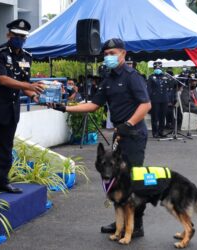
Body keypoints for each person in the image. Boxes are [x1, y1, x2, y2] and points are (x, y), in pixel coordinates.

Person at [51, 38, 151, 237]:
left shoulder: (132, 76)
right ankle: (120, 222)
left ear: (123, 54)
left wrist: (128, 124)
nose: (108, 57)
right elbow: (93, 104)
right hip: (119, 134)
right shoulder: (108, 79)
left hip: (133, 134)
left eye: (112, 54)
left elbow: (145, 105)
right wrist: (65, 108)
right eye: (105, 54)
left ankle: (136, 225)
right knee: (117, 180)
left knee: (131, 180)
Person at [0, 19, 44, 194]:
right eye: (16, 35)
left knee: (6, 147)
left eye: (23, 36)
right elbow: (3, 79)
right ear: (9, 35)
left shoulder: (26, 57)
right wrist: (29, 87)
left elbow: (24, 83)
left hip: (10, 109)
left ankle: (3, 181)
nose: (19, 39)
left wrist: (35, 95)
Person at [147, 61, 169, 138]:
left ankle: (161, 131)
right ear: (154, 68)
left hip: (164, 99)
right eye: (156, 68)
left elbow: (170, 87)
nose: (158, 69)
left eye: (159, 67)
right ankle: (155, 132)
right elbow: (149, 89)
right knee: (155, 117)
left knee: (162, 116)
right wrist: (148, 99)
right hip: (155, 99)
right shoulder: (151, 77)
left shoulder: (166, 76)